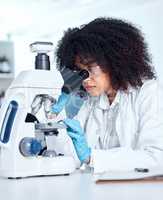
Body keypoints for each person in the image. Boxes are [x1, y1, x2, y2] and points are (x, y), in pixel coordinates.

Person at [53, 17, 163, 173]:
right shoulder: (92, 101)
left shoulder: (149, 93)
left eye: (90, 68)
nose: (85, 78)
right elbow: (73, 157)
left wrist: (93, 157)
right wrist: (54, 117)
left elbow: (156, 158)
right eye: (80, 71)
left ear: (114, 62)